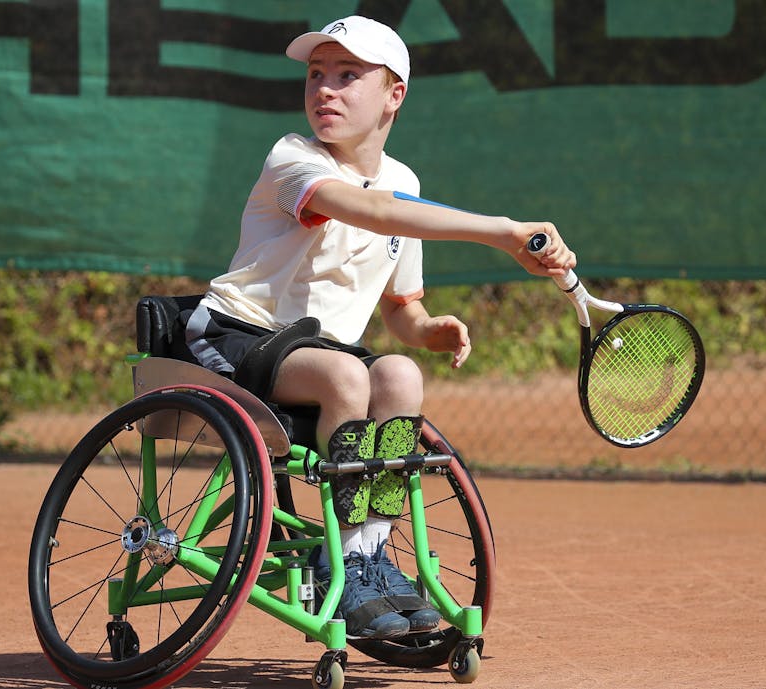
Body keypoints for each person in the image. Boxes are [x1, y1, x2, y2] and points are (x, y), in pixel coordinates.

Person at [185, 15, 576, 639]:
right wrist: (501, 231)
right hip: (236, 335)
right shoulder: (294, 157)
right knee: (346, 374)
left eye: (347, 76)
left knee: (398, 374)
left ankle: (368, 554)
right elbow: (370, 211)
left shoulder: (405, 185)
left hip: (322, 353)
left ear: (394, 95)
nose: (325, 90)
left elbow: (399, 308)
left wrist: (427, 330)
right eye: (316, 75)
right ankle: (337, 558)